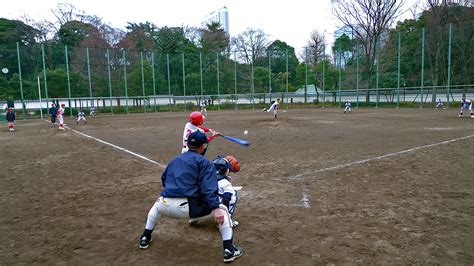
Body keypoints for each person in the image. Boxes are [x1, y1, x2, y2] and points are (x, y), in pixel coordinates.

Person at [138, 131, 244, 263]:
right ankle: (229, 251)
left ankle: (145, 237)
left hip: (165, 205)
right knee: (223, 209)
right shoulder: (205, 163)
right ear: (202, 147)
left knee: (156, 206)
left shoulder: (174, 160)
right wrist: (216, 207)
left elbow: (164, 179)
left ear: (188, 145)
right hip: (188, 209)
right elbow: (209, 189)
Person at [189, 155, 241, 227]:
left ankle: (194, 217)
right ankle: (225, 220)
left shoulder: (204, 178)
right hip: (216, 207)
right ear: (227, 170)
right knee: (233, 194)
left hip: (204, 206)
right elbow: (226, 198)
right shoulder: (226, 183)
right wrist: (224, 212)